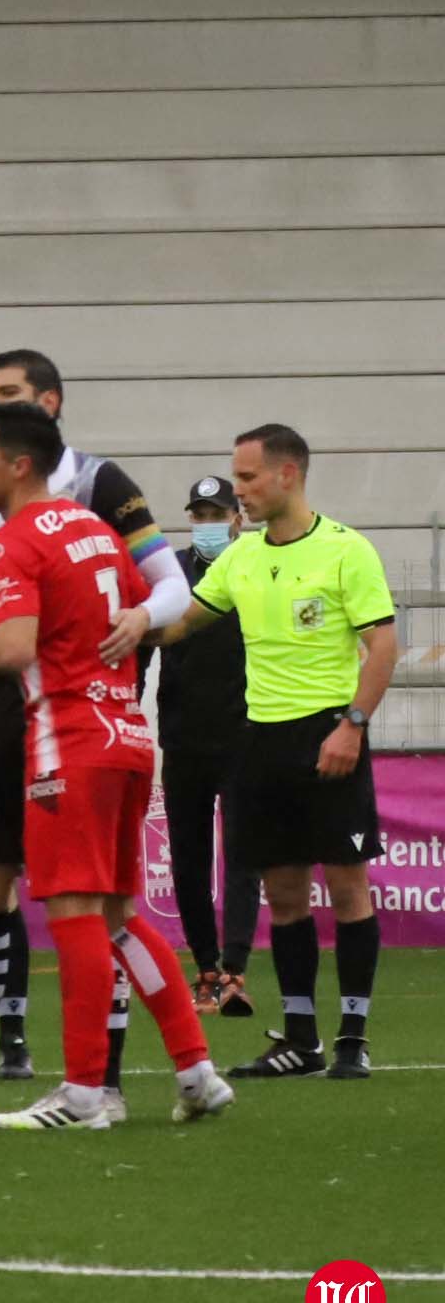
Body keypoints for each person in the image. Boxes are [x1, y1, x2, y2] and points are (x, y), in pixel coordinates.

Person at [0, 404, 233, 1129]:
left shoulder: (16, 540)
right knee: (119, 915)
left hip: (67, 743)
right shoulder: (93, 528)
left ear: (18, 464)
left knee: (75, 913)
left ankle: (85, 1093)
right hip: (126, 736)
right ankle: (197, 1071)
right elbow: (153, 607)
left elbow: (15, 647)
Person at [156, 425, 398, 1080]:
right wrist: (127, 628)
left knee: (348, 889)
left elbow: (383, 646)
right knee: (285, 895)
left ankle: (352, 1036)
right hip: (258, 740)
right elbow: (182, 622)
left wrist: (352, 725)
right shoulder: (240, 558)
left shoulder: (347, 551)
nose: (241, 493)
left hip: (327, 731)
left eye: (248, 479)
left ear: (287, 474)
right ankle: (301, 1039)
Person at [149, 476, 258, 1015]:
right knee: (188, 861)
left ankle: (235, 970)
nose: (207, 523)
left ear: (238, 517)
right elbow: (148, 642)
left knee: (242, 855)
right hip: (183, 736)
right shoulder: (171, 571)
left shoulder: (256, 563)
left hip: (245, 733)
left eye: (216, 512)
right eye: (198, 514)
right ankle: (207, 969)